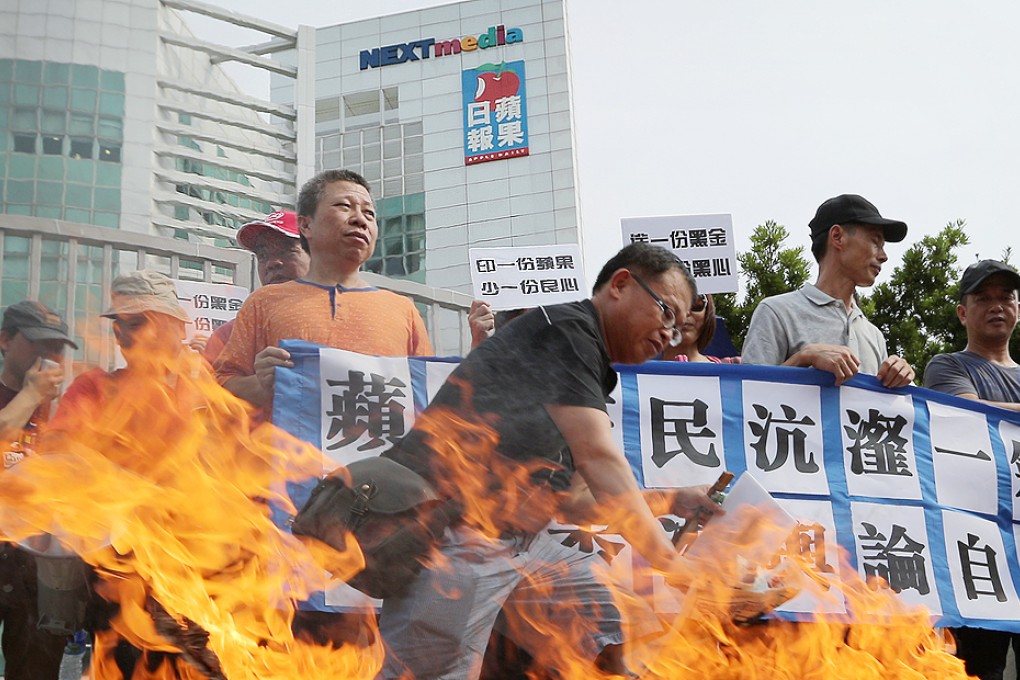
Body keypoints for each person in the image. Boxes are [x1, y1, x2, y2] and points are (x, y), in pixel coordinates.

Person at [377, 243, 722, 679]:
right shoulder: (564, 330)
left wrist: (670, 500)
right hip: (456, 535)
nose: (668, 334)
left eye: (678, 325)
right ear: (620, 284)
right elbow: (600, 463)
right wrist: (675, 568)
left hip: (526, 542)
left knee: (614, 626)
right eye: (666, 312)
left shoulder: (588, 362)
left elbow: (576, 501)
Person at [215, 169, 432, 412]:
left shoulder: (403, 310)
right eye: (344, 206)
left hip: (383, 450)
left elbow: (428, 396)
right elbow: (222, 385)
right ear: (306, 225)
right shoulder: (263, 303)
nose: (360, 219)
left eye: (369, 213)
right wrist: (261, 384)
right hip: (289, 450)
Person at [923, 259, 1020, 680]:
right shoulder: (948, 366)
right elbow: (965, 413)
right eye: (983, 298)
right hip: (976, 552)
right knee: (979, 669)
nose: (996, 306)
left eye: (1006, 297)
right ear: (963, 312)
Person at [742, 194, 914, 387]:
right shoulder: (777, 312)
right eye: (875, 242)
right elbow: (749, 396)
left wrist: (899, 378)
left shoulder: (874, 335)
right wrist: (803, 357)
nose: (883, 256)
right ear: (837, 237)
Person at [0, 300, 77, 680]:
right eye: (38, 343)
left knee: (35, 665)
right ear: (5, 341)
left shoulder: (56, 407)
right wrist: (29, 395)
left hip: (31, 556)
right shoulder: (29, 397)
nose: (49, 356)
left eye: (56, 347)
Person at [202, 210, 310, 363]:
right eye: (263, 255)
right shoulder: (228, 337)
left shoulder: (344, 320)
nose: (272, 263)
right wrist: (257, 383)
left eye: (287, 251)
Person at [661, 293, 740, 363]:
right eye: (672, 304)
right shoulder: (648, 372)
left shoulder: (738, 370)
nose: (686, 312)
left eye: (696, 302)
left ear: (707, 311)